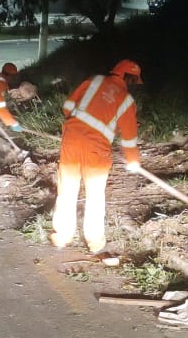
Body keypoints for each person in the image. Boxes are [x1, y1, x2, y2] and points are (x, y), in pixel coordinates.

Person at [50, 59, 143, 254]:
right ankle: (95, 243)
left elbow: (68, 106)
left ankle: (62, 237)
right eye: (134, 81)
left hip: (71, 139)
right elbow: (129, 137)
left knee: (67, 188)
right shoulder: (126, 100)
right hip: (96, 149)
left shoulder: (93, 81)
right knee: (94, 195)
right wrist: (133, 161)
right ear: (129, 78)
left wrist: (81, 125)